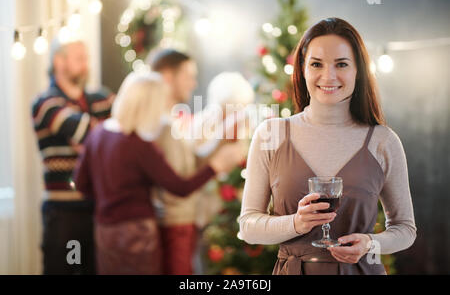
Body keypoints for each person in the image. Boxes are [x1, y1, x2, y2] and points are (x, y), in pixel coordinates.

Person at [238, 17, 417, 275]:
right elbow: (248, 227)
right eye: (316, 64)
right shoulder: (271, 134)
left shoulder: (383, 141)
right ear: (303, 69)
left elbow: (405, 229)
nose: (328, 76)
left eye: (341, 64)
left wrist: (370, 243)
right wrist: (296, 223)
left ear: (359, 70)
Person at [73, 71, 245, 275]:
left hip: (104, 229)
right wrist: (215, 167)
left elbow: (80, 183)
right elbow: (180, 188)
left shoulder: (98, 133)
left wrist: (107, 202)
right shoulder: (139, 144)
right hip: (138, 232)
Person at [31, 38, 114, 274]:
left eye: (86, 58)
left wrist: (89, 140)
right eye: (79, 59)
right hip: (64, 213)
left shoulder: (102, 98)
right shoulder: (44, 103)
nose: (86, 65)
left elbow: (121, 135)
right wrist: (99, 135)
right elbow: (89, 131)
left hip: (97, 208)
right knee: (64, 270)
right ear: (59, 61)